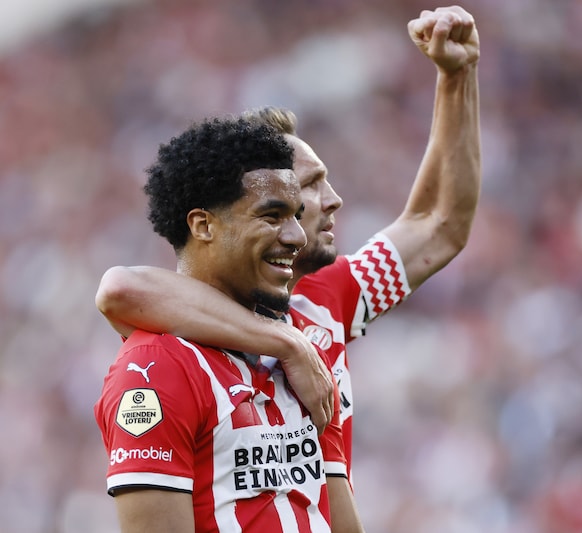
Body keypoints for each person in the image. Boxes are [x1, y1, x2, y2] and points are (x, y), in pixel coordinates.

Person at [96, 4, 481, 486]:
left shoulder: (327, 296)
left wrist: (457, 76)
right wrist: (288, 344)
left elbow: (440, 225)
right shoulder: (172, 345)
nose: (333, 200)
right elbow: (120, 290)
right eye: (309, 186)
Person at [94, 116, 362, 532]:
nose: (296, 237)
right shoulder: (155, 368)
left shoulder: (302, 357)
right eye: (272, 216)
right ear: (203, 226)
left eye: (295, 216)